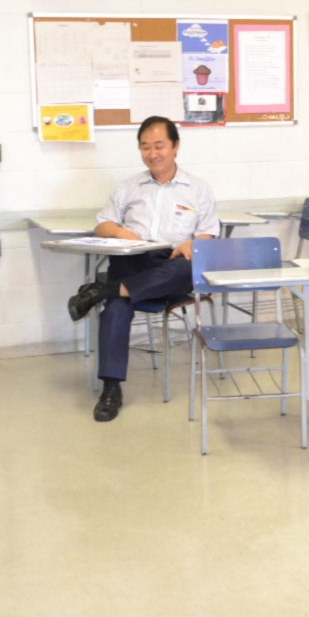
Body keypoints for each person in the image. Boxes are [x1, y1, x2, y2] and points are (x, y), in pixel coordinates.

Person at [67, 116, 220, 422]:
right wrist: (121, 232)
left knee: (186, 269)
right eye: (145, 147)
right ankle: (111, 389)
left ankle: (101, 291)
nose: (152, 153)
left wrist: (193, 243)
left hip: (170, 267)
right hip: (133, 261)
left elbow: (209, 233)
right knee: (116, 308)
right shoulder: (129, 187)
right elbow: (102, 224)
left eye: (159, 145)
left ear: (175, 147)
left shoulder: (198, 189)